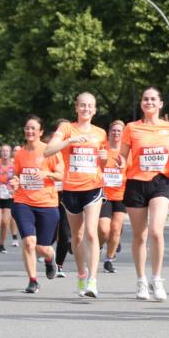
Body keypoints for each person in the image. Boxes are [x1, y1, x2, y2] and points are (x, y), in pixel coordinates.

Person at [44, 92, 108, 298]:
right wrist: (69, 141)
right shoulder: (66, 129)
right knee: (77, 235)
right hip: (71, 188)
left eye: (90, 106)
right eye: (82, 105)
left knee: (91, 232)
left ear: (95, 110)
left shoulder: (100, 133)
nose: (86, 109)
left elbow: (103, 162)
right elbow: (48, 151)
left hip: (93, 186)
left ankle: (93, 280)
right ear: (76, 107)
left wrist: (105, 158)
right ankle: (81, 274)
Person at [119, 87, 169, 301]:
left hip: (161, 182)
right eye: (145, 99)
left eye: (153, 99)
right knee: (139, 236)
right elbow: (123, 155)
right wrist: (120, 163)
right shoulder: (131, 128)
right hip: (136, 183)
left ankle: (157, 278)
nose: (149, 102)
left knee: (156, 231)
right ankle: (141, 281)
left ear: (160, 104)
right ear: (141, 103)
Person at [11, 116, 63, 293]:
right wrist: (15, 181)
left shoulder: (50, 151)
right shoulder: (19, 154)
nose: (29, 131)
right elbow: (17, 175)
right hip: (23, 201)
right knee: (29, 242)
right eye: (27, 128)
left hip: (47, 203)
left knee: (42, 248)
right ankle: (33, 280)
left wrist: (46, 174)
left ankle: (49, 258)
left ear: (40, 132)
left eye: (33, 128)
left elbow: (62, 175)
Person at [98, 120, 128, 273]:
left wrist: (125, 165)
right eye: (113, 130)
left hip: (121, 195)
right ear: (109, 132)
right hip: (104, 194)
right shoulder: (102, 148)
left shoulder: (127, 151)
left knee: (116, 229)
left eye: (119, 131)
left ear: (123, 134)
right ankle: (98, 246)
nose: (116, 133)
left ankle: (109, 260)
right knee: (104, 230)